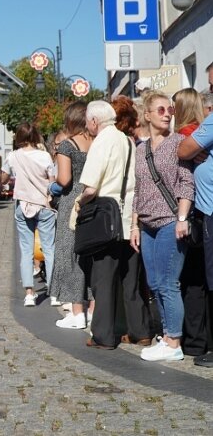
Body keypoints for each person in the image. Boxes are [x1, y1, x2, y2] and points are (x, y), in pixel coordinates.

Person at [77, 100, 151, 350]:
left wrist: (79, 203)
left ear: (95, 121)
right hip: (130, 216)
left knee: (104, 278)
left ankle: (103, 335)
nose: (87, 126)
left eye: (87, 121)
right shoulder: (127, 141)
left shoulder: (102, 142)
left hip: (106, 218)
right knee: (131, 278)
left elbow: (91, 187)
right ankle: (140, 331)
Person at [130, 92, 195, 362]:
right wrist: (134, 225)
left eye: (169, 109)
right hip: (147, 225)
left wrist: (182, 218)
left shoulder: (179, 142)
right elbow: (138, 190)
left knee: (169, 283)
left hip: (170, 222)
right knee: (154, 283)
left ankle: (173, 342)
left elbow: (186, 183)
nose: (167, 113)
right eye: (160, 110)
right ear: (147, 115)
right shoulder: (140, 149)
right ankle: (166, 337)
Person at [178, 65, 213, 367]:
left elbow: (186, 149)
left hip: (208, 210)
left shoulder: (210, 123)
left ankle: (204, 345)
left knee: (204, 280)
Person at [48, 102, 94, 329]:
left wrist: (52, 187)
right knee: (91, 256)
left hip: (72, 202)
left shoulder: (67, 145)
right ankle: (94, 311)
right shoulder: (97, 143)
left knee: (70, 254)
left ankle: (77, 312)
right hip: (94, 200)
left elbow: (64, 179)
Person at [0, 123, 56, 307]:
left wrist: (6, 179)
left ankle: (29, 294)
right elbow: (52, 181)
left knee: (26, 250)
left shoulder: (13, 156)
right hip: (43, 205)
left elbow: (4, 178)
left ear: (18, 138)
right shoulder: (45, 156)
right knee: (49, 248)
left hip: (23, 205)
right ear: (36, 137)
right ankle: (54, 291)